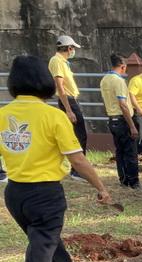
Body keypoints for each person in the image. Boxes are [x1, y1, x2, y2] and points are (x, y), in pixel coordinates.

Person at [1, 55, 112, 262]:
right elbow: (77, 159)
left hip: (15, 194)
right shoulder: (53, 116)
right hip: (45, 196)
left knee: (46, 243)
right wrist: (101, 188)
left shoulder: (4, 114)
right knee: (38, 255)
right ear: (45, 82)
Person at [48, 34, 88, 182]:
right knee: (79, 135)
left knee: (79, 134)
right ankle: (78, 171)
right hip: (68, 101)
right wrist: (69, 110)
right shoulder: (57, 61)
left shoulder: (63, 62)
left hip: (71, 100)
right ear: (69, 48)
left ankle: (77, 169)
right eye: (72, 48)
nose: (73, 51)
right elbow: (60, 85)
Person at [100, 53, 140, 189]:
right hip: (122, 120)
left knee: (120, 151)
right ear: (122, 67)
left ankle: (123, 180)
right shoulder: (119, 81)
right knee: (131, 152)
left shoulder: (104, 79)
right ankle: (134, 181)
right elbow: (123, 104)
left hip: (112, 119)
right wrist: (132, 126)